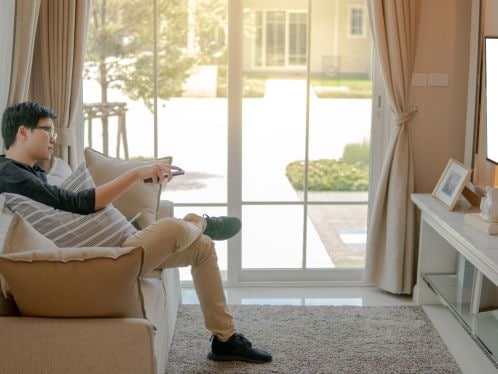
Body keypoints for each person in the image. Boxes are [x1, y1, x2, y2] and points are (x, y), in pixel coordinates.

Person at [0, 101, 272, 364]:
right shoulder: (9, 173)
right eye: (48, 130)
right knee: (176, 227)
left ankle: (225, 340)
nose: (54, 138)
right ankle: (200, 221)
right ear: (22, 132)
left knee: (203, 248)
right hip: (106, 264)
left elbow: (65, 217)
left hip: (114, 251)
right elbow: (80, 203)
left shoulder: (30, 173)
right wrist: (135, 173)